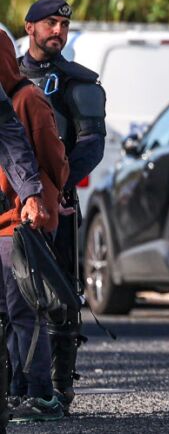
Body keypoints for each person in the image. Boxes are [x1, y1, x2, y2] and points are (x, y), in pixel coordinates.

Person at [19, 0, 107, 414]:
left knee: (61, 297)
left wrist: (53, 186)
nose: (57, 31)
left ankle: (58, 391)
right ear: (29, 26)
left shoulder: (80, 82)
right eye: (49, 23)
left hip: (61, 205)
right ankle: (15, 385)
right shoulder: (9, 76)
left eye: (63, 25)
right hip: (9, 205)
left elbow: (91, 145)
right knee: (12, 298)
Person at [0, 31, 70, 422]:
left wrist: (42, 195)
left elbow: (54, 159)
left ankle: (41, 394)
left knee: (25, 309)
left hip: (26, 221)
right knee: (8, 313)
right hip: (5, 221)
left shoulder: (27, 98)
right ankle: (17, 391)